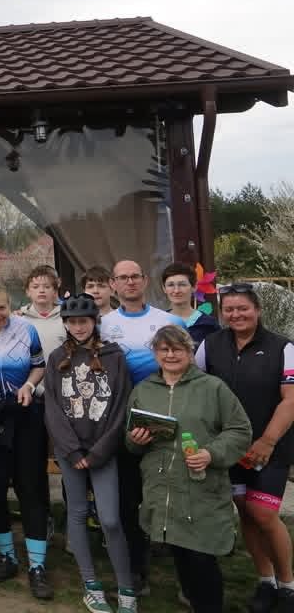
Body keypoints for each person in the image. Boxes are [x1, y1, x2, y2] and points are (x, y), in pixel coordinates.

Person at [127, 325, 252, 613]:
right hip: (162, 488)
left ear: (190, 351)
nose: (170, 355)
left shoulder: (213, 388)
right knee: (180, 552)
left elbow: (240, 430)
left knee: (201, 556)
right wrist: (135, 439)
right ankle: (196, 603)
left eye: (178, 349)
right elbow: (130, 441)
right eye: (164, 349)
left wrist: (211, 453)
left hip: (200, 486)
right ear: (155, 353)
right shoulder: (144, 390)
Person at [195, 283, 294, 613]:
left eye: (243, 308)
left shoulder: (283, 347)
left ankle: (288, 585)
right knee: (246, 512)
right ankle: (265, 581)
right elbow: (195, 387)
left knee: (263, 513)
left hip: (270, 446)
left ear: (258, 310)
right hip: (228, 446)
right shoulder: (210, 345)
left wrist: (267, 440)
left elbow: (291, 400)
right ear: (222, 313)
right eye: (229, 309)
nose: (236, 314)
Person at [43, 294, 134, 613]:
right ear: (65, 324)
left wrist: (98, 452)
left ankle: (126, 587)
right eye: (72, 322)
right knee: (78, 513)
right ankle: (91, 584)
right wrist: (71, 451)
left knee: (110, 519)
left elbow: (121, 406)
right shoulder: (57, 358)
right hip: (71, 452)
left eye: (83, 321)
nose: (78, 327)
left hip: (102, 451)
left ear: (95, 322)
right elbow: (52, 408)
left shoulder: (114, 356)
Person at [101, 259, 183, 592]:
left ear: (146, 280)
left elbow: (188, 369)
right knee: (127, 499)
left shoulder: (170, 321)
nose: (130, 282)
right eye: (123, 277)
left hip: (165, 420)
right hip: (121, 424)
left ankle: (186, 575)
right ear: (113, 284)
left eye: (135, 276)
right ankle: (137, 569)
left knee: (170, 496)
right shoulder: (103, 325)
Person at [0, 282, 50, 598]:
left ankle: (37, 566)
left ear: (10, 305)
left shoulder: (27, 329)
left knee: (31, 489)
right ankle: (8, 557)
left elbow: (39, 366)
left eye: (1, 308)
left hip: (26, 414)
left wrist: (29, 385)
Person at [162, 262, 220, 344]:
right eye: (170, 285)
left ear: (194, 287)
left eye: (182, 284)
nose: (176, 290)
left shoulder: (209, 324)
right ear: (164, 288)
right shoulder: (158, 321)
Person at [17, 265, 66, 358]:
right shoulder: (20, 320)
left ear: (55, 291)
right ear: (28, 291)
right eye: (35, 287)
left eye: (47, 287)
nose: (41, 290)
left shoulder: (66, 317)